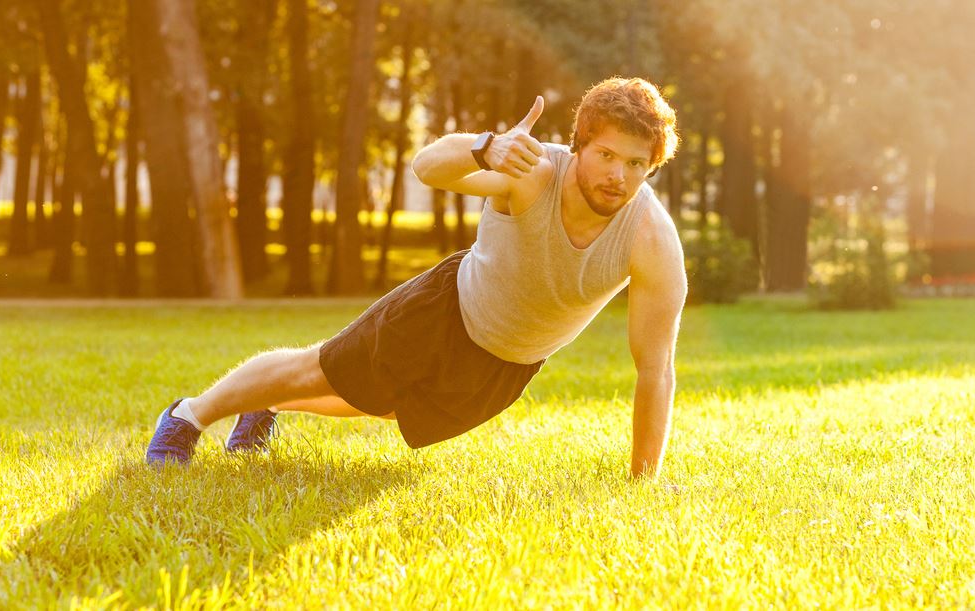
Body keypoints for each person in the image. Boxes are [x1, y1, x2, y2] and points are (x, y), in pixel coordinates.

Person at [145, 77, 687, 479]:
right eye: (607, 155)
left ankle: (265, 404)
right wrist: (486, 146)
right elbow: (427, 167)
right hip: (445, 309)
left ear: (653, 167)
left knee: (382, 406)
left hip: (509, 363)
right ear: (580, 147)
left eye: (636, 164)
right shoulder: (534, 173)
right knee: (322, 369)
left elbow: (655, 370)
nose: (618, 176)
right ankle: (187, 417)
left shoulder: (652, 242)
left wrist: (644, 480)